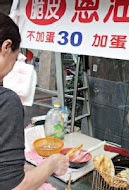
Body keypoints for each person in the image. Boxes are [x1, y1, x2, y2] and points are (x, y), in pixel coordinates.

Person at [0, 12, 69, 190]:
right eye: (15, 59)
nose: (13, 67)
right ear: (6, 47)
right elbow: (15, 187)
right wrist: (52, 164)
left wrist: (23, 169)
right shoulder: (6, 102)